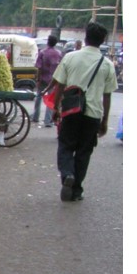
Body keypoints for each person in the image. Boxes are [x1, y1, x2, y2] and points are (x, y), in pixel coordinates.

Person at [47, 20, 117, 202]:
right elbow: (107, 95)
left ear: (85, 37)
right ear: (102, 41)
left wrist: (56, 108)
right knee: (84, 152)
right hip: (92, 114)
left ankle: (67, 174)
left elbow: (60, 85)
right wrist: (104, 121)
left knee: (65, 146)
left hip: (70, 112)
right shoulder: (107, 64)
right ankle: (76, 190)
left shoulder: (70, 57)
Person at [34, 35, 62, 126]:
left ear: (48, 42)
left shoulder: (42, 52)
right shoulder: (58, 53)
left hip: (43, 78)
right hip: (54, 79)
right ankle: (48, 120)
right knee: (51, 98)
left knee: (38, 96)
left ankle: (35, 116)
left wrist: (38, 79)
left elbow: (39, 67)